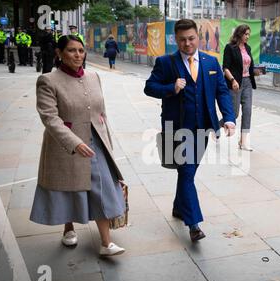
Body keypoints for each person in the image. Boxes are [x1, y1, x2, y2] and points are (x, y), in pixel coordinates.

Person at [30, 35, 126, 257]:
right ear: (59, 53)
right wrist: (74, 142)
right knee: (69, 187)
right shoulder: (48, 81)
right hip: (66, 145)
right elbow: (49, 118)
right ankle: (68, 228)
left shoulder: (94, 76)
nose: (78, 55)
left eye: (81, 51)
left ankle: (106, 242)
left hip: (96, 143)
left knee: (102, 187)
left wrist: (107, 139)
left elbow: (101, 112)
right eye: (72, 50)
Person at [144, 19, 236, 242]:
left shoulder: (211, 62)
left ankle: (178, 206)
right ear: (176, 39)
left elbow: (221, 92)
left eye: (191, 38)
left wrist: (229, 118)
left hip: (204, 128)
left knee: (188, 172)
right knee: (186, 172)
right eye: (182, 39)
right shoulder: (165, 63)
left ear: (198, 37)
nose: (187, 43)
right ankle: (193, 223)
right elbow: (149, 87)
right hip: (177, 129)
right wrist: (171, 88)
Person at [222, 24, 258, 151]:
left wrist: (256, 71)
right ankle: (215, 125)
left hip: (248, 82)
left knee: (247, 112)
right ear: (239, 34)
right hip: (235, 83)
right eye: (245, 34)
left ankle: (244, 142)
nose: (248, 36)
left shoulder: (247, 48)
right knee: (234, 114)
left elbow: (248, 66)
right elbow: (225, 67)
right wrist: (232, 80)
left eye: (249, 34)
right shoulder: (230, 48)